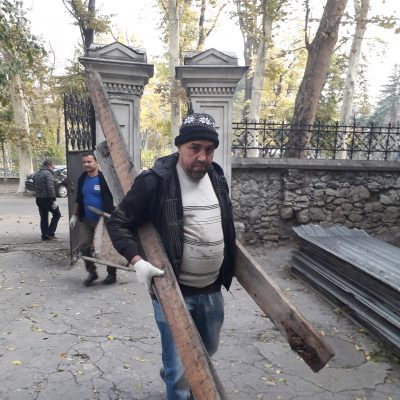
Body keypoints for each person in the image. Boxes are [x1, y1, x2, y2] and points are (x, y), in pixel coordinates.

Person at [107, 113, 236, 400]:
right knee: (180, 372)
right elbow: (118, 222)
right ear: (179, 147)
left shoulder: (216, 176)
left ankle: (172, 370)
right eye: (195, 148)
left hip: (212, 290)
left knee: (207, 351)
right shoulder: (155, 181)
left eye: (209, 149)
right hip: (174, 294)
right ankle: (175, 379)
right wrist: (137, 262)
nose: (203, 157)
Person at [69, 152, 117, 286]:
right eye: (84, 162)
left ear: (96, 162)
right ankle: (92, 272)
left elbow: (115, 197)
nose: (86, 164)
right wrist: (74, 216)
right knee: (84, 246)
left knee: (107, 248)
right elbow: (78, 199)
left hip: (104, 221)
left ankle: (111, 274)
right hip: (86, 220)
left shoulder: (104, 179)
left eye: (89, 162)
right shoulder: (82, 178)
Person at [33, 159, 61, 241]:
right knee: (57, 214)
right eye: (52, 166)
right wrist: (53, 199)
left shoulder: (36, 173)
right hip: (47, 199)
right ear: (49, 165)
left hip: (39, 199)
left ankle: (44, 236)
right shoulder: (48, 174)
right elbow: (50, 187)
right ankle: (50, 233)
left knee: (44, 217)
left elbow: (34, 186)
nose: (53, 167)